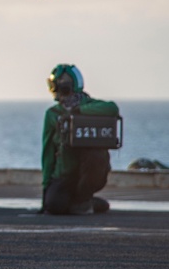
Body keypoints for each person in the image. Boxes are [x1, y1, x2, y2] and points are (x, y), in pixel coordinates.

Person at [41, 64, 119, 215]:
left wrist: (78, 111)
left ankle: (83, 200)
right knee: (54, 206)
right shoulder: (53, 114)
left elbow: (112, 108)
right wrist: (46, 187)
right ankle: (85, 202)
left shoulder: (91, 106)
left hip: (89, 172)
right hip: (64, 175)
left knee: (96, 155)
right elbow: (48, 151)